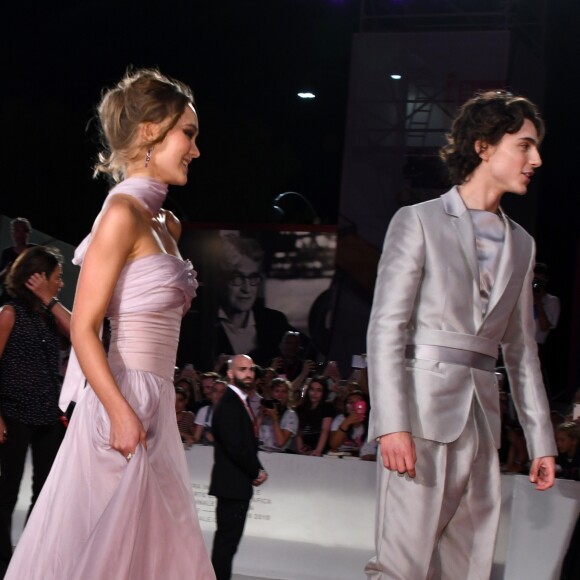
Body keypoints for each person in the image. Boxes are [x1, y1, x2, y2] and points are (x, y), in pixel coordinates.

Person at [5, 68, 215, 579]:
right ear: (150, 131)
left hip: (156, 400)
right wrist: (121, 412)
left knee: (152, 558)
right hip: (120, 399)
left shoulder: (168, 223)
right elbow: (85, 327)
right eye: (187, 133)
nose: (196, 149)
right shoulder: (122, 213)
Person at [365, 90, 556, 580]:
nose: (535, 159)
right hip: (419, 418)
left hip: (482, 425)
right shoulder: (418, 220)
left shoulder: (523, 244)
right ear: (483, 146)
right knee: (400, 568)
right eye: (525, 145)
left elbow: (521, 350)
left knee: (468, 569)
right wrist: (391, 423)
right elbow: (386, 326)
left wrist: (542, 442)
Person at [0, 246, 71, 575]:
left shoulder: (49, 315)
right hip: (12, 415)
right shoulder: (9, 313)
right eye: (57, 278)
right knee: (6, 493)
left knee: (45, 495)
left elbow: (77, 331)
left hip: (47, 417)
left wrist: (49, 300)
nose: (61, 284)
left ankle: (30, 559)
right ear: (36, 277)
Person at [209, 354, 267, 580]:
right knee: (226, 544)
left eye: (251, 369)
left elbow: (245, 445)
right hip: (232, 485)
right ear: (230, 373)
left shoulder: (239, 402)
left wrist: (256, 468)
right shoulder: (230, 404)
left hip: (235, 485)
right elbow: (236, 447)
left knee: (228, 545)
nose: (249, 374)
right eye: (243, 369)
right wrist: (256, 471)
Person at [295, 376, 334, 456]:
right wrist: (301, 449)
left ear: (323, 393)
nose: (314, 393)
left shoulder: (327, 407)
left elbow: (325, 431)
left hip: (322, 452)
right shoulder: (300, 409)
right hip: (305, 451)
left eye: (318, 390)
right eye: (312, 389)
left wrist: (317, 451)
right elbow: (299, 434)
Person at [0, 218, 35, 306]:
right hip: (7, 299)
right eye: (16, 230)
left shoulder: (34, 251)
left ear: (28, 233)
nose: (19, 234)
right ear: (12, 233)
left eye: (23, 231)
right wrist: (6, 272)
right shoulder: (7, 253)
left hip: (27, 301)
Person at [257, 377, 299, 452]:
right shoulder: (264, 410)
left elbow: (280, 443)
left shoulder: (290, 415)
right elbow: (251, 436)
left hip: (279, 456)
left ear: (288, 395)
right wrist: (260, 416)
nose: (280, 395)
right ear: (271, 393)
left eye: (284, 392)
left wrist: (274, 419)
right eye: (277, 391)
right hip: (259, 451)